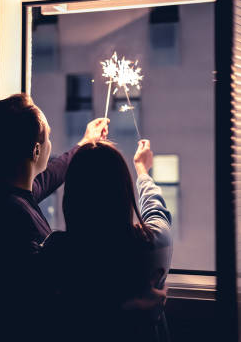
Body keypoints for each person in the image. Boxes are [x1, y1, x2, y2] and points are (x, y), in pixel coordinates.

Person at [0, 93, 109, 341]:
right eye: (48, 138)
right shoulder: (14, 218)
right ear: (36, 150)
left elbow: (48, 176)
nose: (50, 145)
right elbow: (48, 300)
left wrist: (84, 143)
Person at [47, 139, 173, 342]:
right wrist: (142, 171)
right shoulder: (152, 244)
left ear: (72, 197)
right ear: (123, 191)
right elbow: (157, 211)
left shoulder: (57, 252)